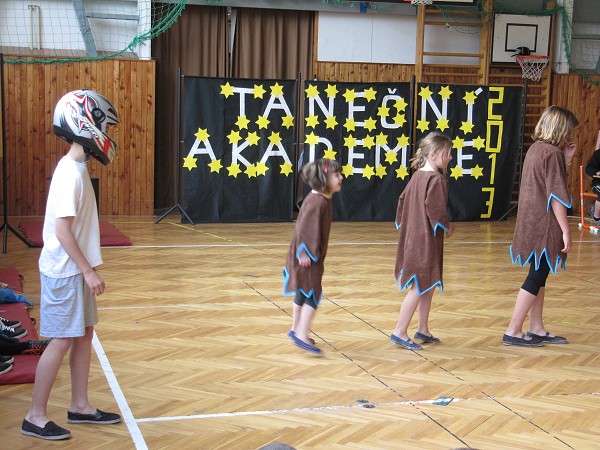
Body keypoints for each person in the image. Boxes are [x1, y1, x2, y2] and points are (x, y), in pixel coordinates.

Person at [22, 90, 122, 440]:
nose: (107, 134)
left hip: (74, 270)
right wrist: (88, 270)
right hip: (65, 272)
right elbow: (63, 231)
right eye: (104, 126)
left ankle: (80, 405)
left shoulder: (77, 168)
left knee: (84, 335)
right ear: (86, 124)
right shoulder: (70, 174)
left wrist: (87, 268)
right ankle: (34, 416)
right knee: (61, 340)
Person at [504, 105, 578, 347]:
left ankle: (536, 327)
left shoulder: (536, 149)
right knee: (536, 276)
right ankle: (513, 330)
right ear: (560, 129)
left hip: (529, 221)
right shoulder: (552, 154)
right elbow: (556, 196)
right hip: (544, 225)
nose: (570, 136)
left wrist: (566, 160)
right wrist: (566, 230)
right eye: (569, 131)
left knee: (540, 274)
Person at [391, 132, 454, 351]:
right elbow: (435, 210)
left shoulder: (417, 176)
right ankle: (400, 330)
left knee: (427, 283)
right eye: (448, 154)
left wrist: (405, 223)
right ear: (434, 154)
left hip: (414, 239)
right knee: (419, 285)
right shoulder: (436, 179)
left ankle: (423, 329)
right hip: (425, 242)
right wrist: (447, 226)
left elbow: (401, 201)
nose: (450, 158)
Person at [282, 158, 343, 354]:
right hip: (307, 258)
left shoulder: (320, 198)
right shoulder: (317, 202)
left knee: (303, 291)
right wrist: (304, 252)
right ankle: (301, 334)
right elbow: (304, 228)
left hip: (308, 255)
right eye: (336, 175)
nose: (341, 177)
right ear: (324, 179)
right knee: (313, 294)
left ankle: (295, 328)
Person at [584, 130, 600, 225]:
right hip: (598, 183)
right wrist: (597, 172)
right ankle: (597, 217)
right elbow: (589, 169)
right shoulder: (598, 154)